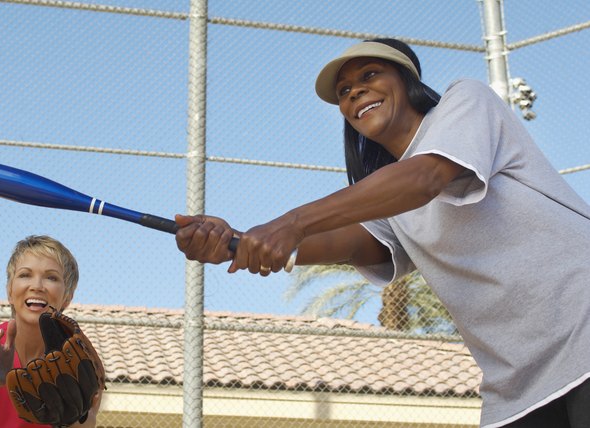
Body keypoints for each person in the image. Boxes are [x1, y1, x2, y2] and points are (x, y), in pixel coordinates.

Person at [174, 38, 590, 428]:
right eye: (343, 91)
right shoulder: (386, 200)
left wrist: (290, 222)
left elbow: (426, 175)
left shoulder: (465, 101)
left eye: (370, 75)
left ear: (407, 81)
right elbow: (345, 243)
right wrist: (234, 244)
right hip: (519, 385)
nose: (353, 92)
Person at [0, 235, 102, 427]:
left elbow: (88, 422)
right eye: (25, 275)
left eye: (51, 277)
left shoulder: (80, 360)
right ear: (10, 291)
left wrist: (74, 415)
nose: (36, 286)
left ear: (67, 297)